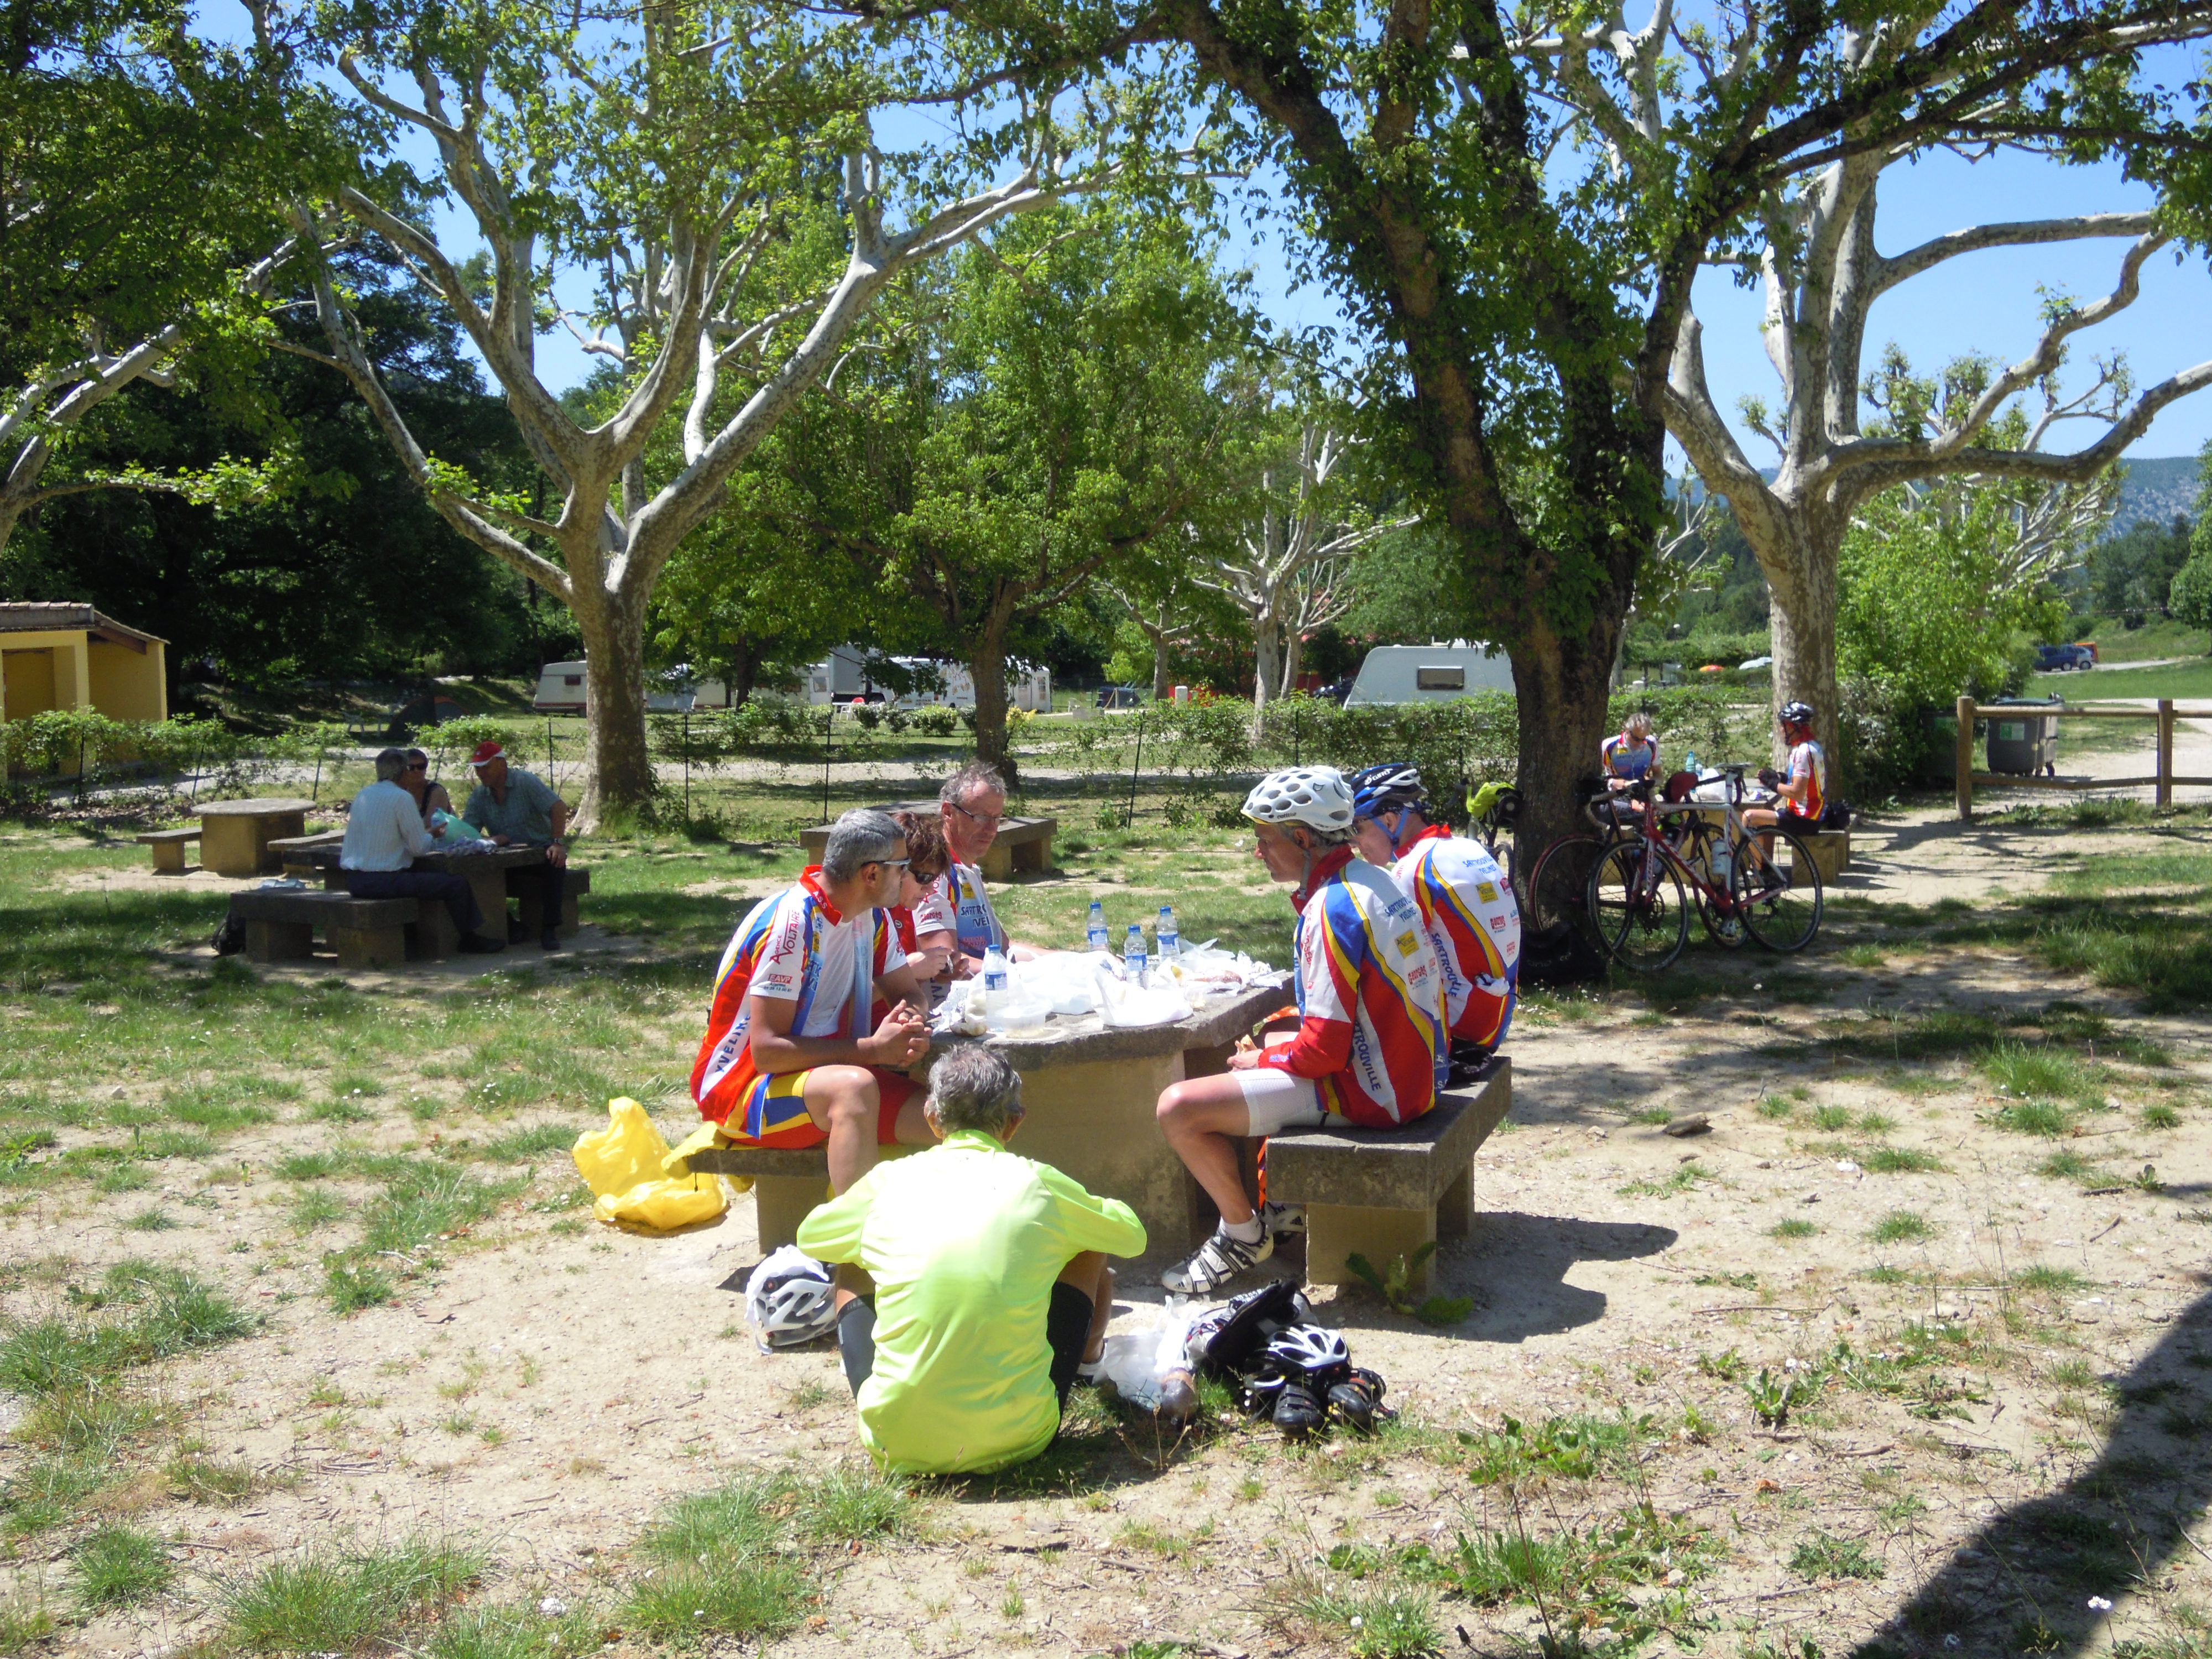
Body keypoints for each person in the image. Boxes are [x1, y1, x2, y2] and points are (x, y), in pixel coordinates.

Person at [1154, 766, 1447, 1295]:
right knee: (1272, 1035)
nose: (1258, 852)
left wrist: (1264, 1059)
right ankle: (1282, 1203)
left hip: (1376, 1097)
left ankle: (1243, 1236)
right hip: (1415, 1076)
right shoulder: (1375, 879)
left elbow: (1324, 1053)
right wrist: (1276, 1046)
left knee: (1178, 1108)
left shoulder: (1331, 909)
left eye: (1266, 840)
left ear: (1304, 839)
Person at [796, 1045, 1145, 1475]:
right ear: (1015, 1122)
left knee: (852, 1256)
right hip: (1020, 1438)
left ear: (932, 1118)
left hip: (894, 1443)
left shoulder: (888, 1181)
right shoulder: (1038, 1182)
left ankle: (897, 1401)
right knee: (1089, 1241)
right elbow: (1132, 1236)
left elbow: (812, 1238)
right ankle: (1088, 1363)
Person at [691, 810, 936, 1193]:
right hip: (742, 1089)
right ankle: (852, 1231)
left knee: (950, 1116)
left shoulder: (872, 917)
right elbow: (768, 1053)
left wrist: (910, 1023)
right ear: (872, 874)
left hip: (829, 1076)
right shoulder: (791, 925)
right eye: (902, 867)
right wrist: (873, 1050)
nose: (907, 877)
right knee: (854, 1089)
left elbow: (909, 993)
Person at [1348, 763, 1521, 1077]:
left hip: (1458, 1034)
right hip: (1492, 1017)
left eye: (1357, 830)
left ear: (1389, 820)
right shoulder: (1468, 847)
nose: (1355, 845)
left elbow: (1396, 963)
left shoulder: (1413, 869)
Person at [338, 749, 506, 953]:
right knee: (456, 884)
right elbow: (418, 849)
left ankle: (412, 939)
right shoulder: (402, 798)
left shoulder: (363, 795)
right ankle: (469, 939)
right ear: (403, 773)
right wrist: (431, 836)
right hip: (384, 881)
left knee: (420, 880)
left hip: (355, 880)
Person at [458, 740, 569, 951]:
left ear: (501, 763)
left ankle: (550, 929)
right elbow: (468, 833)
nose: (480, 773)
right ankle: (510, 925)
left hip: (539, 850)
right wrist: (492, 840)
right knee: (474, 873)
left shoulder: (525, 782)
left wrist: (557, 843)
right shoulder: (479, 796)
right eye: (477, 768)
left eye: (485, 767)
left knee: (554, 863)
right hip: (505, 858)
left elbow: (558, 807)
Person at [931, 760, 1037, 973]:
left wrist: (1070, 960)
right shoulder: (936, 872)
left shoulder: (968, 868)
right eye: (981, 818)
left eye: (997, 819)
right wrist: (1016, 974)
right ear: (948, 813)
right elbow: (945, 961)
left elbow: (1004, 948)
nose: (991, 830)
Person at [1741, 700, 1828, 882]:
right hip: (1812, 815)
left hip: (1804, 819)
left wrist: (1773, 784)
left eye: (1784, 726)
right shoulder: (1812, 746)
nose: (1781, 730)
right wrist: (1779, 777)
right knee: (1766, 812)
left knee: (1749, 817)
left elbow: (1797, 793)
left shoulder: (1802, 752)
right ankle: (1767, 869)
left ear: (1794, 727)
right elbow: (1805, 783)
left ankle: (1757, 873)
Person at [889, 810, 958, 1000]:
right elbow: (837, 1003)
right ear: (897, 868)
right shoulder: (862, 915)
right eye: (924, 878)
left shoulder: (902, 907)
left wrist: (939, 968)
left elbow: (911, 996)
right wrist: (908, 971)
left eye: (934, 879)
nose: (929, 889)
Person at [1599, 711, 1660, 824]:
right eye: (1636, 739)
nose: (1639, 743)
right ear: (1627, 730)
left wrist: (1650, 781)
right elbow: (1599, 778)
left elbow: (1659, 777)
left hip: (1643, 794)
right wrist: (1613, 782)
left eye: (1643, 739)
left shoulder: (1651, 743)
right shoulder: (1609, 745)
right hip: (1617, 796)